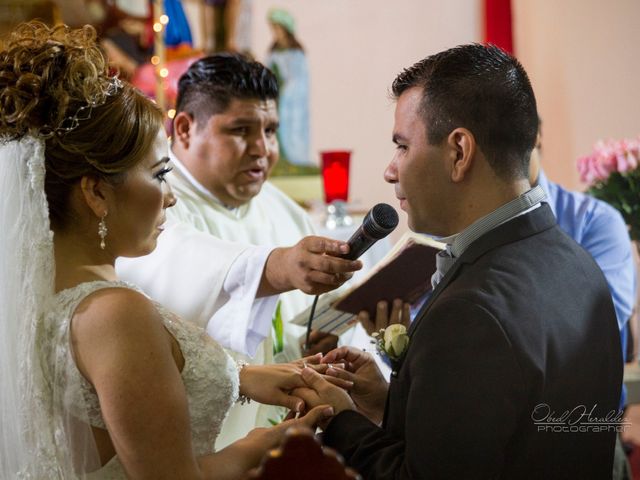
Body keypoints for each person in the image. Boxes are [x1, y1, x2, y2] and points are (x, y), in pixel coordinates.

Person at [0, 21, 335, 479]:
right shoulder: (115, 312)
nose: (171, 196)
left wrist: (242, 378)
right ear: (96, 193)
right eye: (159, 174)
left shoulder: (41, 294)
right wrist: (266, 443)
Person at [294, 44, 623, 478]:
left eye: (402, 146)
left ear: (459, 152)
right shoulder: (578, 264)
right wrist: (394, 401)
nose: (391, 170)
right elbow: (500, 432)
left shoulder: (470, 312)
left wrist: (340, 420)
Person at [117, 52, 365, 448]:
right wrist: (279, 266)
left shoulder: (282, 207)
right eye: (240, 130)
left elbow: (316, 316)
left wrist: (320, 339)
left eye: (270, 130)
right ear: (184, 129)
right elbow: (176, 263)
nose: (261, 148)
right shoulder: (153, 199)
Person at [529, 131, 637, 479]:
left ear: (533, 136)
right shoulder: (457, 234)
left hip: (582, 434)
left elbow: (599, 322)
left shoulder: (595, 220)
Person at [265, 7, 313, 173]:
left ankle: (294, 159)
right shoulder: (273, 52)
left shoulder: (296, 53)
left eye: (278, 28)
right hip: (276, 100)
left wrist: (286, 90)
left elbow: (298, 80)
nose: (275, 32)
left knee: (291, 132)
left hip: (290, 104)